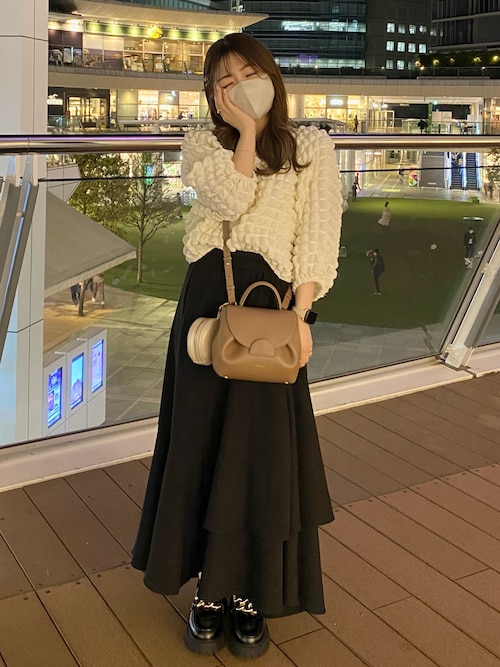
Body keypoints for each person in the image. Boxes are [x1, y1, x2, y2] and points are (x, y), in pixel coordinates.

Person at [131, 32, 343, 660]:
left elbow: (319, 231)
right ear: (212, 94)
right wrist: (245, 133)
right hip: (208, 302)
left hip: (274, 309)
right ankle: (208, 588)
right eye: (224, 81)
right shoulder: (203, 143)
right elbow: (230, 197)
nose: (239, 87)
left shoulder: (311, 146)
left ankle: (251, 590)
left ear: (272, 76)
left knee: (262, 450)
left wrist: (303, 314)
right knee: (200, 441)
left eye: (249, 73)